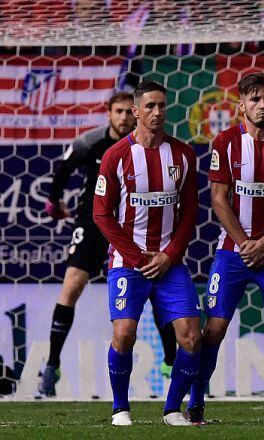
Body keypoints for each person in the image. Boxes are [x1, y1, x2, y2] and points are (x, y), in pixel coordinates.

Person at [187, 73, 264, 425]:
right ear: (241, 104)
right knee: (213, 329)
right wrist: (246, 245)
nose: (262, 105)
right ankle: (196, 404)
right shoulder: (224, 142)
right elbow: (218, 199)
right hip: (232, 253)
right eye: (254, 99)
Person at [39, 92, 178, 397]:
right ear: (108, 114)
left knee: (155, 288)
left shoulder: (144, 145)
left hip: (135, 228)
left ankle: (170, 359)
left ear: (136, 114)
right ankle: (51, 365)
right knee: (71, 285)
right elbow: (62, 170)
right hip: (94, 223)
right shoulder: (91, 143)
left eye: (128, 112)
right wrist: (53, 202)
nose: (124, 118)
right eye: (118, 112)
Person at [93, 80, 201, 426]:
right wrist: (138, 258)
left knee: (191, 336)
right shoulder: (115, 156)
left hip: (170, 264)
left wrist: (169, 254)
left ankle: (172, 409)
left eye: (162, 106)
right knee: (124, 334)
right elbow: (101, 213)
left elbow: (189, 212)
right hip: (129, 264)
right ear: (136, 111)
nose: (157, 113)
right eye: (150, 106)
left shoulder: (183, 155)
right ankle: (120, 408)